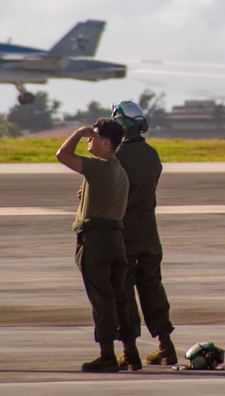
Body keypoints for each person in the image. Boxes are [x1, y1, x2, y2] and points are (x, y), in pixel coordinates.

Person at [56, 117, 134, 373]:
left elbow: (62, 155)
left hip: (97, 241)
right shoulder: (118, 171)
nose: (89, 138)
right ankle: (130, 352)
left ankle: (107, 355)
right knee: (119, 298)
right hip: (115, 239)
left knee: (102, 299)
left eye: (94, 136)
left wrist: (78, 132)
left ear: (106, 143)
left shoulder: (100, 168)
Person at [111, 101, 178, 367]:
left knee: (123, 288)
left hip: (124, 229)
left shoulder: (116, 157)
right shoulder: (153, 155)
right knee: (151, 284)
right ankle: (166, 346)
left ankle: (129, 352)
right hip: (149, 228)